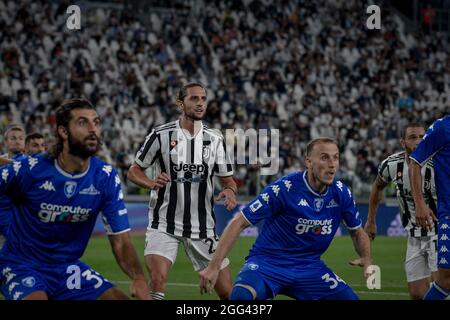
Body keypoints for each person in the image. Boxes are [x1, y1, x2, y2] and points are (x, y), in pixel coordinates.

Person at [0, 99, 150, 300]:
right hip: (21, 264)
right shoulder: (29, 169)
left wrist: (139, 278)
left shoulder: (105, 177)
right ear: (63, 131)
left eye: (96, 122)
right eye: (82, 122)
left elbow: (121, 241)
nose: (93, 129)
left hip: (66, 267)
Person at [199, 137, 371, 300]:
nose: (332, 164)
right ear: (308, 162)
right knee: (241, 296)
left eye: (335, 158)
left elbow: (357, 232)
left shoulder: (341, 193)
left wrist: (367, 257)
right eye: (324, 158)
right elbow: (239, 222)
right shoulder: (284, 188)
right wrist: (214, 266)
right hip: (268, 264)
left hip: (309, 268)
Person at [127, 82, 237, 300]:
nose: (200, 103)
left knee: (227, 292)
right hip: (163, 222)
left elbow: (228, 180)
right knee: (157, 280)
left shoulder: (215, 139)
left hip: (203, 227)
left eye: (203, 99)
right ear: (180, 103)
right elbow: (134, 170)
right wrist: (150, 183)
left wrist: (231, 191)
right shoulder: (160, 135)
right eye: (194, 98)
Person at [364, 123, 437, 299]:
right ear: (402, 142)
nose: (419, 141)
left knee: (440, 288)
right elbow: (377, 187)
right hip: (413, 236)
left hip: (440, 233)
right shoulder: (391, 164)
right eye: (413, 137)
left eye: (422, 137)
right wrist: (371, 221)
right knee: (417, 294)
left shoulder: (439, 163)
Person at [409, 115, 450, 300]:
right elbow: (415, 163)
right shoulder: (442, 127)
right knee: (446, 280)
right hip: (448, 215)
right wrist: (420, 204)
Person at [0, 125, 26, 249]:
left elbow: (20, 166)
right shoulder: (3, 160)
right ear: (5, 142)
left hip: (14, 223)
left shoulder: (28, 161)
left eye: (21, 138)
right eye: (13, 138)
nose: (18, 141)